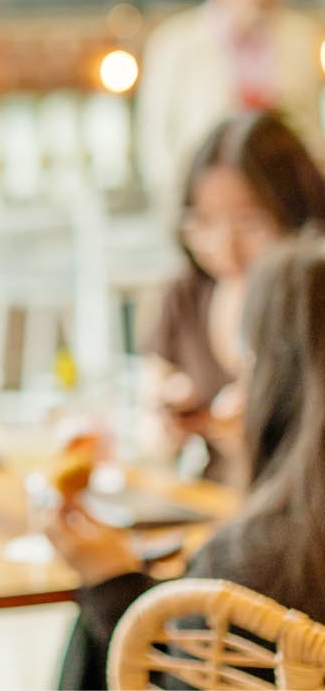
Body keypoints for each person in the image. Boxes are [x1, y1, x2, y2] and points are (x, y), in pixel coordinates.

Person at [50, 232, 325, 689]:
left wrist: (111, 582)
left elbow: (184, 679)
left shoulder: (257, 563)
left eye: (250, 362)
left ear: (284, 385)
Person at [140, 112, 325, 481]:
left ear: (299, 216)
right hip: (209, 505)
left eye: (250, 222)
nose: (226, 247)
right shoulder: (185, 294)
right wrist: (166, 424)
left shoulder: (312, 306)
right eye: (204, 222)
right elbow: (148, 435)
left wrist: (265, 441)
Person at [136, 0, 325, 208]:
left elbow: (311, 118)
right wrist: (179, 197)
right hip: (207, 188)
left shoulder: (302, 35)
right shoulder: (175, 42)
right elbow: (155, 130)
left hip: (282, 191)